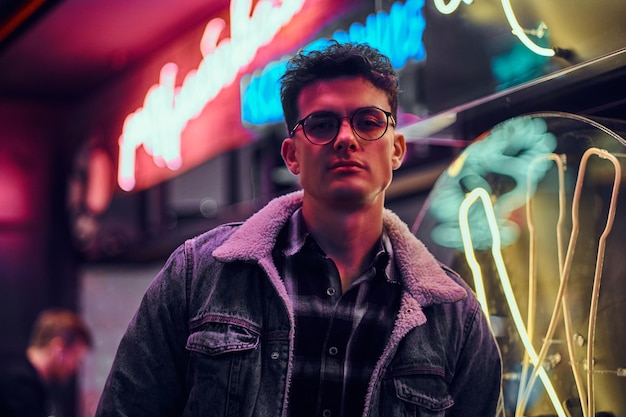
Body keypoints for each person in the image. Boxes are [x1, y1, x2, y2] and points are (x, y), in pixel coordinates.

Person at [96, 41, 503, 416]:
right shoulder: (198, 277)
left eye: (368, 121)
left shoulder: (454, 317)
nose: (346, 138)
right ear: (292, 155)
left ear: (396, 148)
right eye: (322, 124)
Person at [0, 308, 92, 417]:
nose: (76, 368)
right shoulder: (18, 384)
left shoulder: (33, 382)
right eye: (76, 358)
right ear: (59, 349)